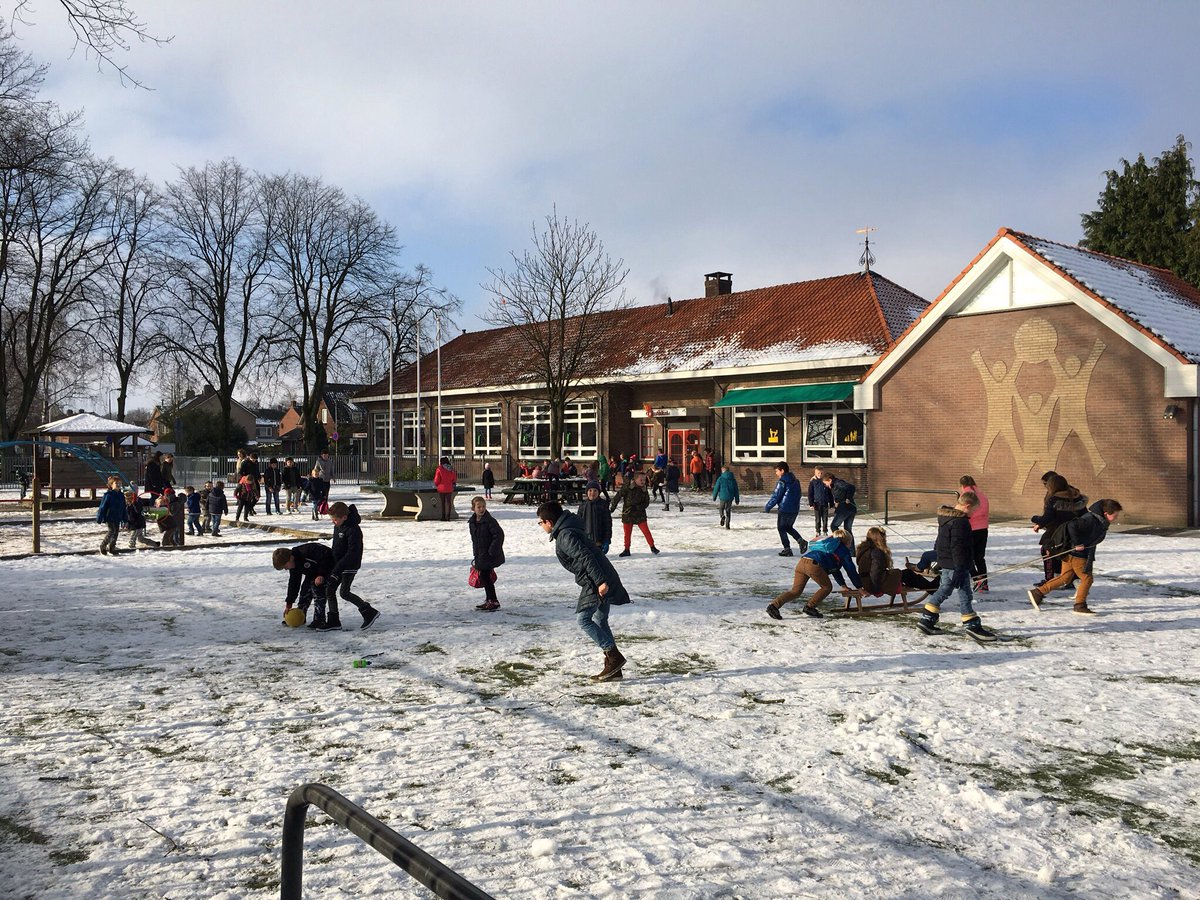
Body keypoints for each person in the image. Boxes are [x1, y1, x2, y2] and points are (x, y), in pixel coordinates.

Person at [538, 500, 631, 681]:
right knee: (600, 619)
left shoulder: (565, 536)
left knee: (584, 619)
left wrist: (600, 581)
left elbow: (585, 557)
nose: (541, 526)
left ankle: (613, 656)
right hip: (601, 575)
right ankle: (614, 668)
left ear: (549, 522)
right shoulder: (569, 528)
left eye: (540, 522)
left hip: (596, 579)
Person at [916, 491, 998, 641]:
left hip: (948, 563)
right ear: (967, 506)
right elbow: (958, 547)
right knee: (965, 593)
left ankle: (926, 620)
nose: (973, 514)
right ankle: (972, 626)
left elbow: (941, 543)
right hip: (956, 565)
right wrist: (960, 568)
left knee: (944, 590)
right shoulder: (960, 522)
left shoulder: (947, 518)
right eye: (973, 510)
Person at [1028, 499, 1122, 615]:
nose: (1117, 517)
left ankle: (1037, 593)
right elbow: (1072, 525)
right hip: (1077, 554)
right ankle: (1080, 605)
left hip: (1075, 554)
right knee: (1087, 578)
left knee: (1065, 578)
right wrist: (1077, 544)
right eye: (1115, 515)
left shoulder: (1098, 520)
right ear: (1106, 513)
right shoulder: (1091, 519)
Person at [765, 530, 860, 619]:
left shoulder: (829, 546)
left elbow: (834, 570)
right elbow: (851, 570)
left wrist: (843, 585)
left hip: (802, 562)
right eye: (850, 543)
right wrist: (860, 586)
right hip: (814, 565)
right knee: (826, 587)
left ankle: (773, 606)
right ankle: (810, 607)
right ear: (847, 542)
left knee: (795, 591)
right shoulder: (843, 550)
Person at [326, 501, 381, 630]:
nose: (333, 522)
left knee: (344, 592)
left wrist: (337, 569)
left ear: (344, 517)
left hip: (349, 565)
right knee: (329, 589)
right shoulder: (338, 526)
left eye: (335, 520)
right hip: (338, 564)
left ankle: (369, 612)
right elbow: (336, 546)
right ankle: (333, 620)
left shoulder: (353, 530)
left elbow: (352, 552)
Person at [1031, 473, 1087, 585]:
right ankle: (1071, 579)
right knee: (1069, 554)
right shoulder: (1076, 497)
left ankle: (1052, 579)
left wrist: (1035, 518)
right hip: (1074, 532)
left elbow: (1047, 518)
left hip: (1057, 532)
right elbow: (1085, 514)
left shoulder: (1054, 499)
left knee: (1047, 551)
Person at [856, 527, 937, 597]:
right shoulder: (876, 552)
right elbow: (875, 572)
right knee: (907, 574)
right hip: (874, 584)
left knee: (905, 574)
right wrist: (875, 590)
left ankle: (929, 586)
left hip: (867, 581)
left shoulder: (865, 549)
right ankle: (931, 588)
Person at [273, 542, 336, 628]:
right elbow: (294, 583)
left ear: (290, 558)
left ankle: (319, 620)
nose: (286, 569)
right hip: (314, 572)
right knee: (305, 591)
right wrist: (289, 603)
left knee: (318, 589)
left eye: (285, 566)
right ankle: (300, 616)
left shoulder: (305, 552)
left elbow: (326, 558)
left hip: (330, 567)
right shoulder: (294, 565)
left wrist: (321, 574)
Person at [609, 469, 659, 557]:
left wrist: (639, 507)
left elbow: (646, 502)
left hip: (640, 514)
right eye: (641, 480)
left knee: (646, 531)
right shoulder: (628, 487)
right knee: (627, 533)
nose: (643, 482)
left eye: (644, 480)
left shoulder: (644, 489)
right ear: (635, 480)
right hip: (628, 513)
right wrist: (613, 507)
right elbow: (618, 496)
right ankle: (626, 549)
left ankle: (652, 547)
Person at [468, 496, 505, 611]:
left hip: (489, 554)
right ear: (473, 508)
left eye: (483, 506)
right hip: (480, 554)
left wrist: (492, 550)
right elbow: (475, 539)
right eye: (479, 507)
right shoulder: (473, 522)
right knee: (484, 577)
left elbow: (499, 535)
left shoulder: (489, 521)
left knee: (485, 577)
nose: (481, 509)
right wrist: (476, 553)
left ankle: (493, 600)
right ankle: (489, 599)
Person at [764, 462, 806, 556]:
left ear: (782, 471)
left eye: (777, 471)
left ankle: (787, 549)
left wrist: (768, 506)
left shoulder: (782, 482)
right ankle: (801, 541)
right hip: (794, 509)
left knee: (781, 528)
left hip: (784, 508)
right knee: (788, 527)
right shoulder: (795, 481)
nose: (776, 473)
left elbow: (776, 496)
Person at [956, 475, 990, 591]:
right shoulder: (982, 495)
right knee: (980, 557)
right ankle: (984, 583)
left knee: (967, 555)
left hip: (970, 528)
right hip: (983, 529)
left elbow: (962, 512)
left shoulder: (966, 496)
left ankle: (976, 579)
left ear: (962, 485)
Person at [577, 481, 612, 554]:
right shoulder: (582, 506)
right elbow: (578, 524)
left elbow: (607, 524)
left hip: (599, 541)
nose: (592, 492)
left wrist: (606, 540)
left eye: (595, 490)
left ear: (599, 492)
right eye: (590, 490)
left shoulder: (603, 505)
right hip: (585, 541)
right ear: (587, 492)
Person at [823, 471, 858, 542]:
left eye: (825, 483)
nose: (825, 485)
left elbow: (851, 487)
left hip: (845, 509)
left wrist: (848, 498)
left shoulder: (838, 483)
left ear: (830, 480)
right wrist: (837, 502)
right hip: (849, 508)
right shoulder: (833, 485)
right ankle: (851, 551)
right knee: (847, 530)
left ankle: (841, 543)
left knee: (834, 526)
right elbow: (840, 494)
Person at [96, 476, 127, 556]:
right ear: (111, 485)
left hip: (118, 516)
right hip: (109, 516)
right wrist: (100, 517)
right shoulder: (108, 495)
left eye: (120, 483)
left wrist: (125, 518)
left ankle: (112, 547)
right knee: (111, 531)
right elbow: (103, 507)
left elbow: (123, 508)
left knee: (116, 532)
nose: (118, 485)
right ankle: (103, 545)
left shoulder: (121, 495)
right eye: (116, 483)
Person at [808, 466, 832, 538]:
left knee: (825, 518)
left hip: (824, 502)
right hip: (816, 503)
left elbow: (829, 493)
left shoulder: (825, 481)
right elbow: (810, 493)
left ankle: (825, 531)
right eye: (818, 473)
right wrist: (811, 503)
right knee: (818, 519)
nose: (820, 474)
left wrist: (831, 503)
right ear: (815, 473)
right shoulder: (813, 482)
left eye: (821, 473)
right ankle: (818, 531)